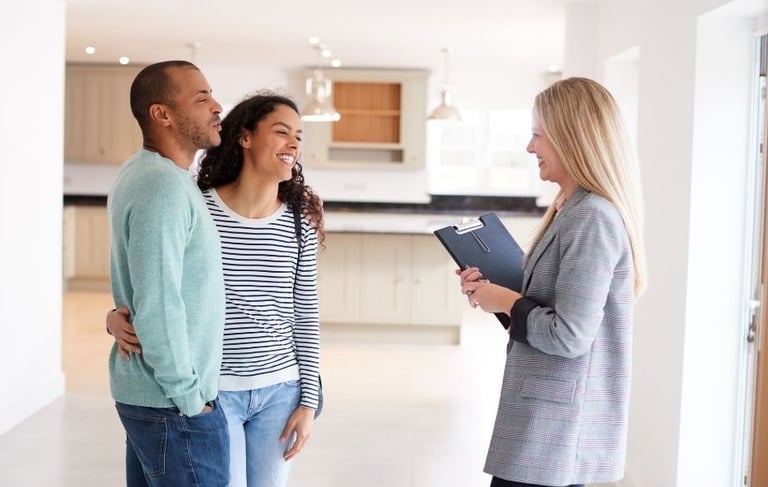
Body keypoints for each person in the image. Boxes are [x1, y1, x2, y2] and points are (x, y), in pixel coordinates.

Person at [108, 91, 324, 487]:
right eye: (281, 132)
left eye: (299, 136)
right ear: (245, 137)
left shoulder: (299, 223)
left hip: (280, 390)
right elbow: (156, 282)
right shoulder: (198, 207)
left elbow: (306, 314)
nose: (293, 143)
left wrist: (309, 401)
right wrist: (113, 317)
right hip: (214, 390)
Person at [458, 77, 647, 487]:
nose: (530, 148)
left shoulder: (591, 216)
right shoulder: (571, 208)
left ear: (572, 138)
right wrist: (492, 293)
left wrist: (505, 300)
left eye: (537, 135)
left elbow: (569, 336)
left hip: (556, 431)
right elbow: (549, 311)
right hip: (546, 426)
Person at [107, 60, 229, 486]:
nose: (217, 106)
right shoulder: (161, 186)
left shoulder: (149, 173)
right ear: (162, 114)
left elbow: (143, 280)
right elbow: (158, 302)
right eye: (202, 98)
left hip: (158, 401)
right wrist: (191, 399)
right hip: (173, 404)